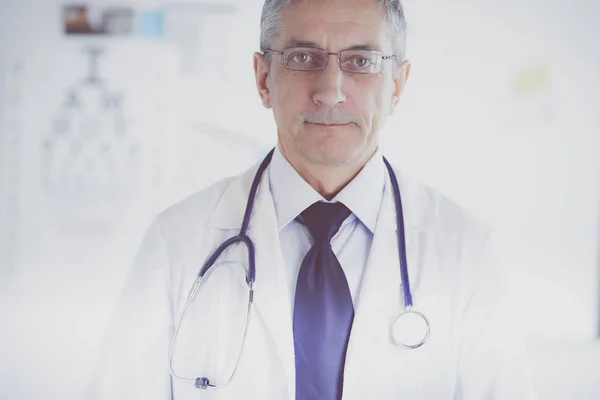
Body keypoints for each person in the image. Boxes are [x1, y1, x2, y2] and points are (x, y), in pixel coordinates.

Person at [87, 0, 538, 398]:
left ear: (397, 84)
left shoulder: (466, 251)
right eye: (304, 57)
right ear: (264, 78)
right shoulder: (177, 242)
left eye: (361, 61)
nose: (331, 91)